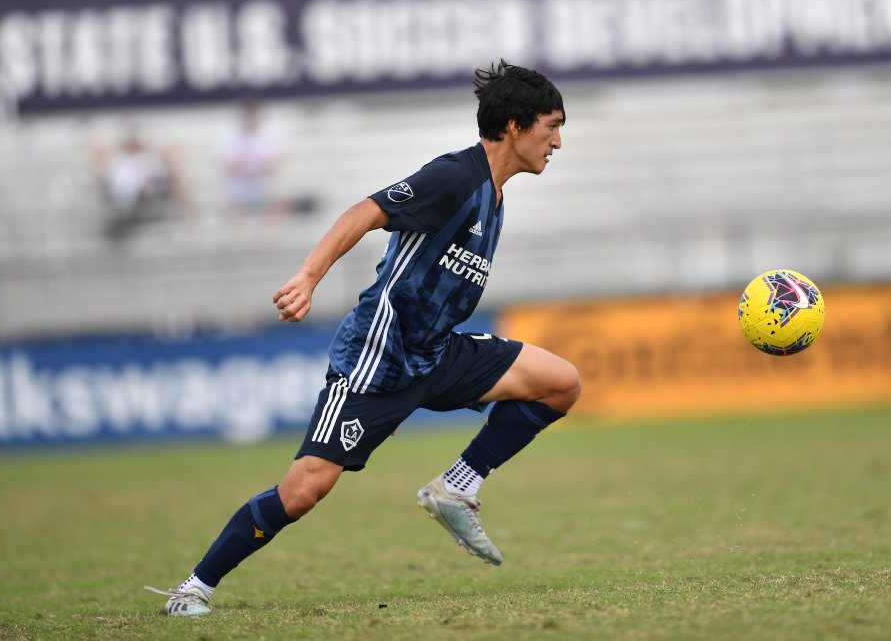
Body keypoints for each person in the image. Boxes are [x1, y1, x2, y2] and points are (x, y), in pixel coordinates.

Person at [145, 60, 581, 617]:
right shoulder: (455, 176)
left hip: (437, 354)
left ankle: (456, 486)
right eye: (552, 125)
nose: (559, 141)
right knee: (302, 491)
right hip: (379, 359)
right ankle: (193, 589)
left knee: (560, 384)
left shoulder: (495, 197)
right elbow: (367, 210)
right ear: (517, 126)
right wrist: (307, 277)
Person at [221, 101, 280, 217]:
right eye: (248, 114)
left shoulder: (268, 136)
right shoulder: (230, 136)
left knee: (278, 197)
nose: (250, 118)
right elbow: (228, 166)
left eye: (253, 114)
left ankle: (268, 232)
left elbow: (273, 166)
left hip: (262, 181)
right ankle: (240, 233)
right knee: (230, 200)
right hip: (240, 181)